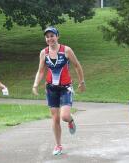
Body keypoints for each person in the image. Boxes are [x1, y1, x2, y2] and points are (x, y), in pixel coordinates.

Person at [32, 26, 86, 155]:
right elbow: (41, 71)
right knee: (55, 118)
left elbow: (77, 66)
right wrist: (35, 85)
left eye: (52, 35)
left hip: (66, 88)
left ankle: (70, 121)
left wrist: (82, 82)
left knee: (65, 116)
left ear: (57, 36)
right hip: (51, 88)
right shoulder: (43, 53)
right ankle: (58, 146)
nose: (50, 38)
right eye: (47, 36)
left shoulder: (66, 50)